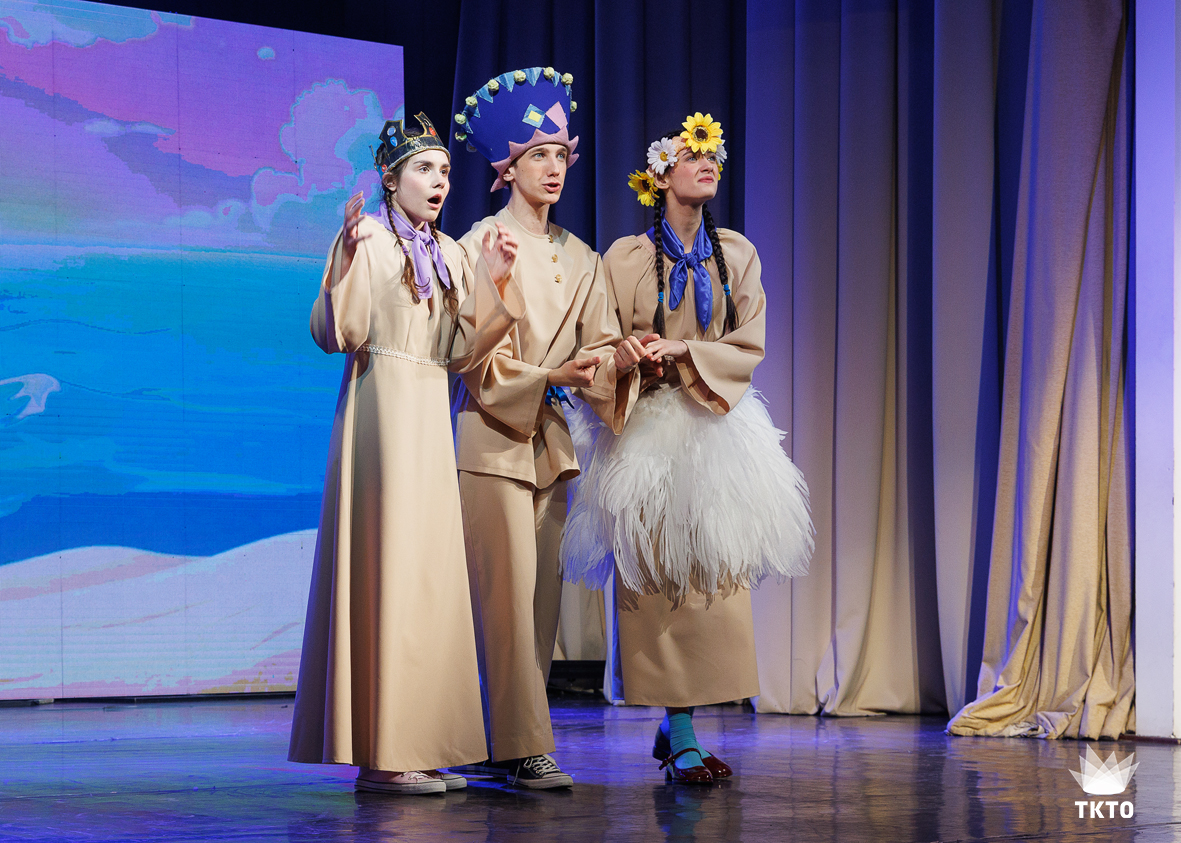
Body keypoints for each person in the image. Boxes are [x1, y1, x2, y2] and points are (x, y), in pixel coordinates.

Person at [561, 114, 814, 784]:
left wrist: (685, 351)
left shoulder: (736, 253)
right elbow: (596, 340)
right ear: (659, 175)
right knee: (656, 582)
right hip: (646, 422)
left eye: (714, 156)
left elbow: (748, 342)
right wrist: (629, 354)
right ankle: (679, 731)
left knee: (713, 582)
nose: (709, 162)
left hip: (711, 422)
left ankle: (685, 725)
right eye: (693, 154)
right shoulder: (624, 258)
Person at [288, 113, 525, 795]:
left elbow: (462, 352)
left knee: (427, 576)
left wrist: (493, 281)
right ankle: (382, 754)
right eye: (424, 169)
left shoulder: (449, 252)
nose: (439, 181)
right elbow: (336, 332)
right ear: (391, 180)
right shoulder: (369, 238)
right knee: (387, 568)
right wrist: (344, 255)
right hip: (381, 411)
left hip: (428, 410)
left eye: (445, 171)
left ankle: (420, 742)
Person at [448, 67, 643, 789]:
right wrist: (551, 375)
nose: (554, 168)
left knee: (538, 604)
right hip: (491, 438)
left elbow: (599, 348)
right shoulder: (479, 242)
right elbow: (470, 355)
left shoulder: (581, 255)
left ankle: (504, 738)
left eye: (562, 154)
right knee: (500, 598)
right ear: (507, 167)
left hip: (550, 443)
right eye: (538, 155)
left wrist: (621, 361)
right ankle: (521, 743)